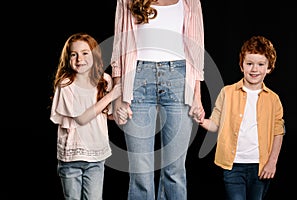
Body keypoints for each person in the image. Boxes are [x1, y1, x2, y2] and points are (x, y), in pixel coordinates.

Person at [110, 0, 205, 199]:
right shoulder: (127, 1)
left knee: (175, 170)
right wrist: (117, 96)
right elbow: (119, 45)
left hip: (179, 79)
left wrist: (197, 96)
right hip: (136, 79)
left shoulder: (190, 2)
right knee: (141, 172)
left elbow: (196, 49)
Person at [199, 35, 285, 200]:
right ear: (241, 65)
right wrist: (200, 119)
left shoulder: (273, 99)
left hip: (260, 167)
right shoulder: (227, 92)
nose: (254, 69)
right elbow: (215, 124)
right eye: (249, 63)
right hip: (233, 166)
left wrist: (272, 162)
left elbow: (278, 132)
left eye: (260, 64)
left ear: (269, 68)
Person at [50, 32, 121, 200]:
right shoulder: (66, 84)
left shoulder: (104, 80)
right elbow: (81, 118)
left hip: (96, 156)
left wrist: (121, 110)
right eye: (73, 54)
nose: (79, 59)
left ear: (94, 54)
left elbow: (108, 115)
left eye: (84, 53)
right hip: (71, 158)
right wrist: (111, 96)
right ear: (67, 58)